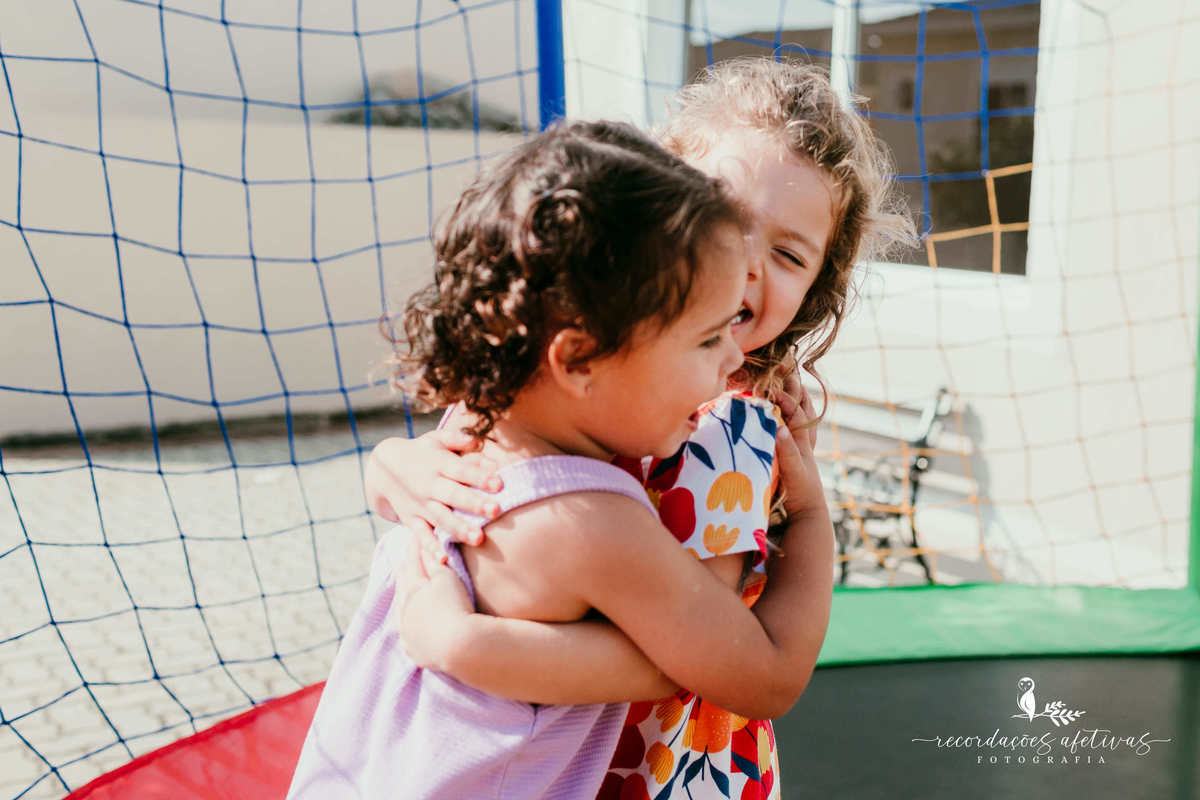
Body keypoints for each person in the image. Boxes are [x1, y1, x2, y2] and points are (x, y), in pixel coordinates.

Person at [368, 59, 915, 799]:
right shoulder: (571, 357)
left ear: (815, 289)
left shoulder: (731, 429)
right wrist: (397, 462)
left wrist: (462, 642)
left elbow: (708, 661)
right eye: (724, 216)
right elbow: (439, 478)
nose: (746, 264)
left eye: (788, 255)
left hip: (659, 768)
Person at [286, 118, 837, 800]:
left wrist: (457, 631)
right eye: (704, 340)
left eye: (786, 254)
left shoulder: (474, 427)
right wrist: (811, 515)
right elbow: (762, 673)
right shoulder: (592, 523)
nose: (729, 359)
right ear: (578, 358)